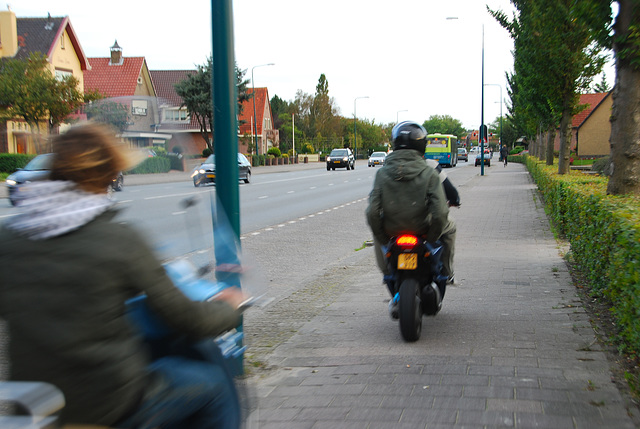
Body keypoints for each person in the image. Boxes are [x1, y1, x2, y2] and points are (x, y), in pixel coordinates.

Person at [0, 122, 248, 428]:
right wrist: (228, 306)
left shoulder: (8, 237)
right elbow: (187, 319)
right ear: (109, 175)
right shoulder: (117, 239)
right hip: (106, 403)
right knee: (211, 385)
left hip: (34, 406)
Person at [366, 121, 456, 318]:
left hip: (392, 233)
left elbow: (372, 212)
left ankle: (388, 274)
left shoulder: (381, 174)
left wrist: (382, 237)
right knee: (450, 228)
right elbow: (440, 213)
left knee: (376, 237)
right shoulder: (430, 173)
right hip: (423, 232)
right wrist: (432, 237)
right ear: (422, 145)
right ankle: (447, 273)